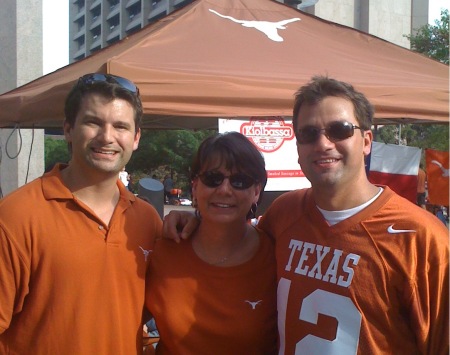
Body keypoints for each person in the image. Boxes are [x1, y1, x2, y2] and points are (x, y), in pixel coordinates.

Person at [164, 76, 449, 354]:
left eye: (340, 130)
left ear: (366, 141)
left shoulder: (422, 238)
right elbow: (234, 237)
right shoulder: (285, 212)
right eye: (308, 133)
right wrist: (197, 220)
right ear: (298, 146)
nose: (323, 144)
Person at [0, 73, 163, 354]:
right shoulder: (16, 215)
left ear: (135, 138)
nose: (107, 137)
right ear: (67, 129)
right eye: (93, 122)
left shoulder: (148, 220)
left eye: (120, 126)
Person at [146, 132, 277, 354]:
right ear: (195, 186)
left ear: (256, 192)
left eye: (240, 181)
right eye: (213, 178)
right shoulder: (163, 250)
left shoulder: (277, 257)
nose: (224, 190)